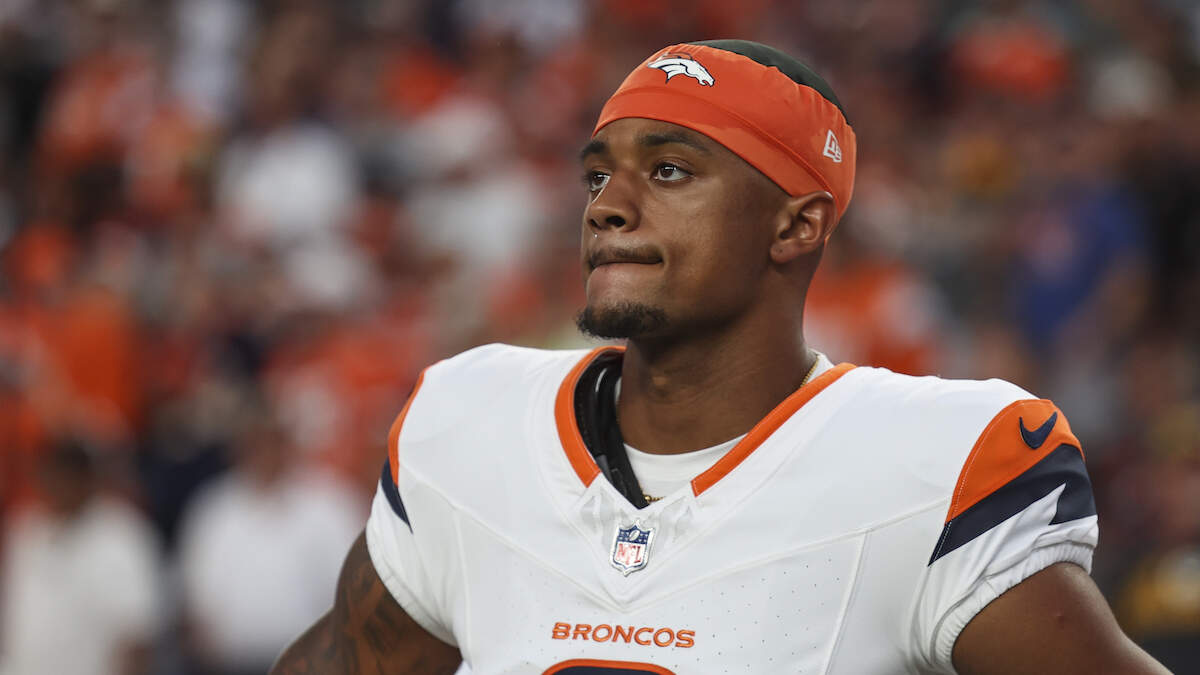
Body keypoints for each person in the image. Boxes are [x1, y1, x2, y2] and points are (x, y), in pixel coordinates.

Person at [271, 40, 1168, 674]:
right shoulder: (471, 421)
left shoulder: (936, 466)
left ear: (797, 225)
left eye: (669, 170)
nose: (606, 205)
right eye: (597, 174)